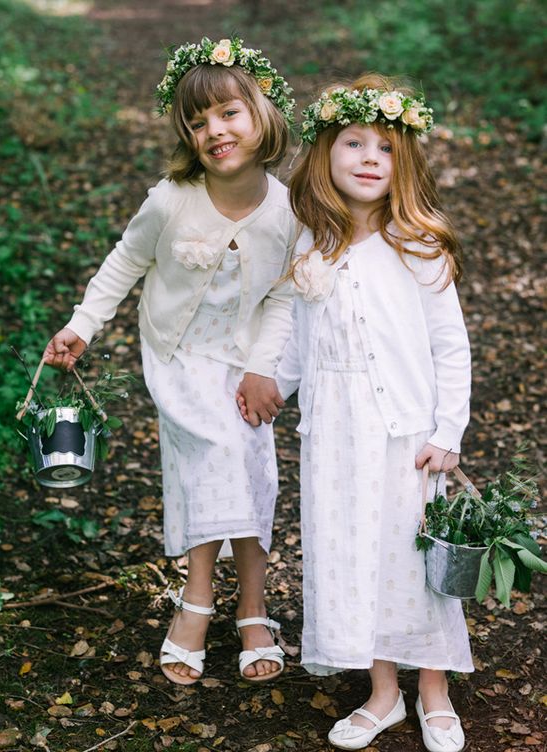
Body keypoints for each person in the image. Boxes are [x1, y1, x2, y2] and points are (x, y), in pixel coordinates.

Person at [43, 36, 298, 686]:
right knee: (216, 453)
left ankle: (250, 603)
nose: (213, 129)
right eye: (196, 120)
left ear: (261, 112)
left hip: (245, 359)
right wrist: (83, 325)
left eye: (227, 112)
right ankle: (200, 597)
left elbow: (287, 295)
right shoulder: (171, 199)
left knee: (251, 467)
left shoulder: (286, 211)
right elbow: (127, 259)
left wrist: (264, 366)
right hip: (178, 355)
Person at [276, 74, 471, 751]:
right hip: (336, 432)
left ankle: (435, 691)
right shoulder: (312, 245)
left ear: (402, 163)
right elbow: (300, 345)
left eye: (383, 147)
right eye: (352, 142)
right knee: (359, 555)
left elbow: (450, 347)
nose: (366, 157)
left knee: (416, 557)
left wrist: (448, 431)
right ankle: (384, 692)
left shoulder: (418, 243)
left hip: (407, 433)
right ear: (326, 153)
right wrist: (266, 391)